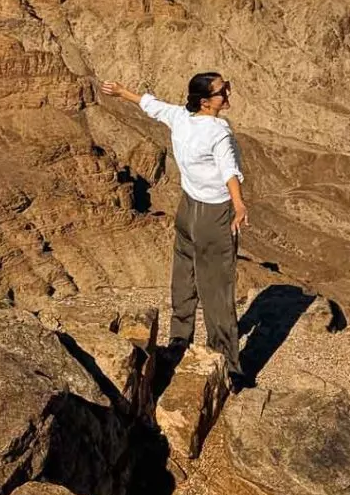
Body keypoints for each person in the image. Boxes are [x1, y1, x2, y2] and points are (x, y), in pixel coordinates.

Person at [100, 72, 249, 390]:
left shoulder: (181, 117)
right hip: (214, 214)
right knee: (217, 291)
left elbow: (151, 106)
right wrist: (239, 206)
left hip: (187, 210)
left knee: (184, 281)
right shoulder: (219, 131)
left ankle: (178, 347)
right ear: (206, 101)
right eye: (223, 90)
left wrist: (121, 91)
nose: (228, 93)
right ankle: (228, 368)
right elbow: (229, 171)